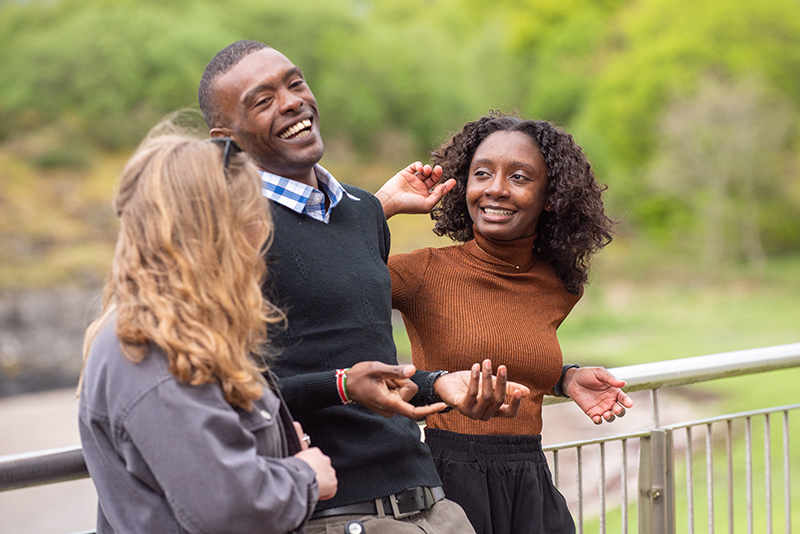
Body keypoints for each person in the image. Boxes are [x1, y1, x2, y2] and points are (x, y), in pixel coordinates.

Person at [198, 40, 531, 534]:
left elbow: (366, 362)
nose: (292, 102)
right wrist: (340, 386)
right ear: (226, 137)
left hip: (435, 506)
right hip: (335, 516)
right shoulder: (225, 232)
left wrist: (436, 384)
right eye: (262, 100)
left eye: (295, 83)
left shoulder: (362, 211)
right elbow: (225, 394)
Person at [78, 134, 337, 534]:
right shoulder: (150, 347)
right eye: (254, 219)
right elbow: (225, 508)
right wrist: (304, 476)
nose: (260, 243)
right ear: (216, 230)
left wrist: (275, 446)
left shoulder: (176, 330)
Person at [388, 113, 634, 533]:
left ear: (551, 196)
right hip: (448, 487)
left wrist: (564, 378)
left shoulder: (558, 286)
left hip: (530, 485)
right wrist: (384, 206)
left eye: (519, 177)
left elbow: (503, 348)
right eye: (481, 174)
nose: (495, 189)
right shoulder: (423, 272)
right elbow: (326, 287)